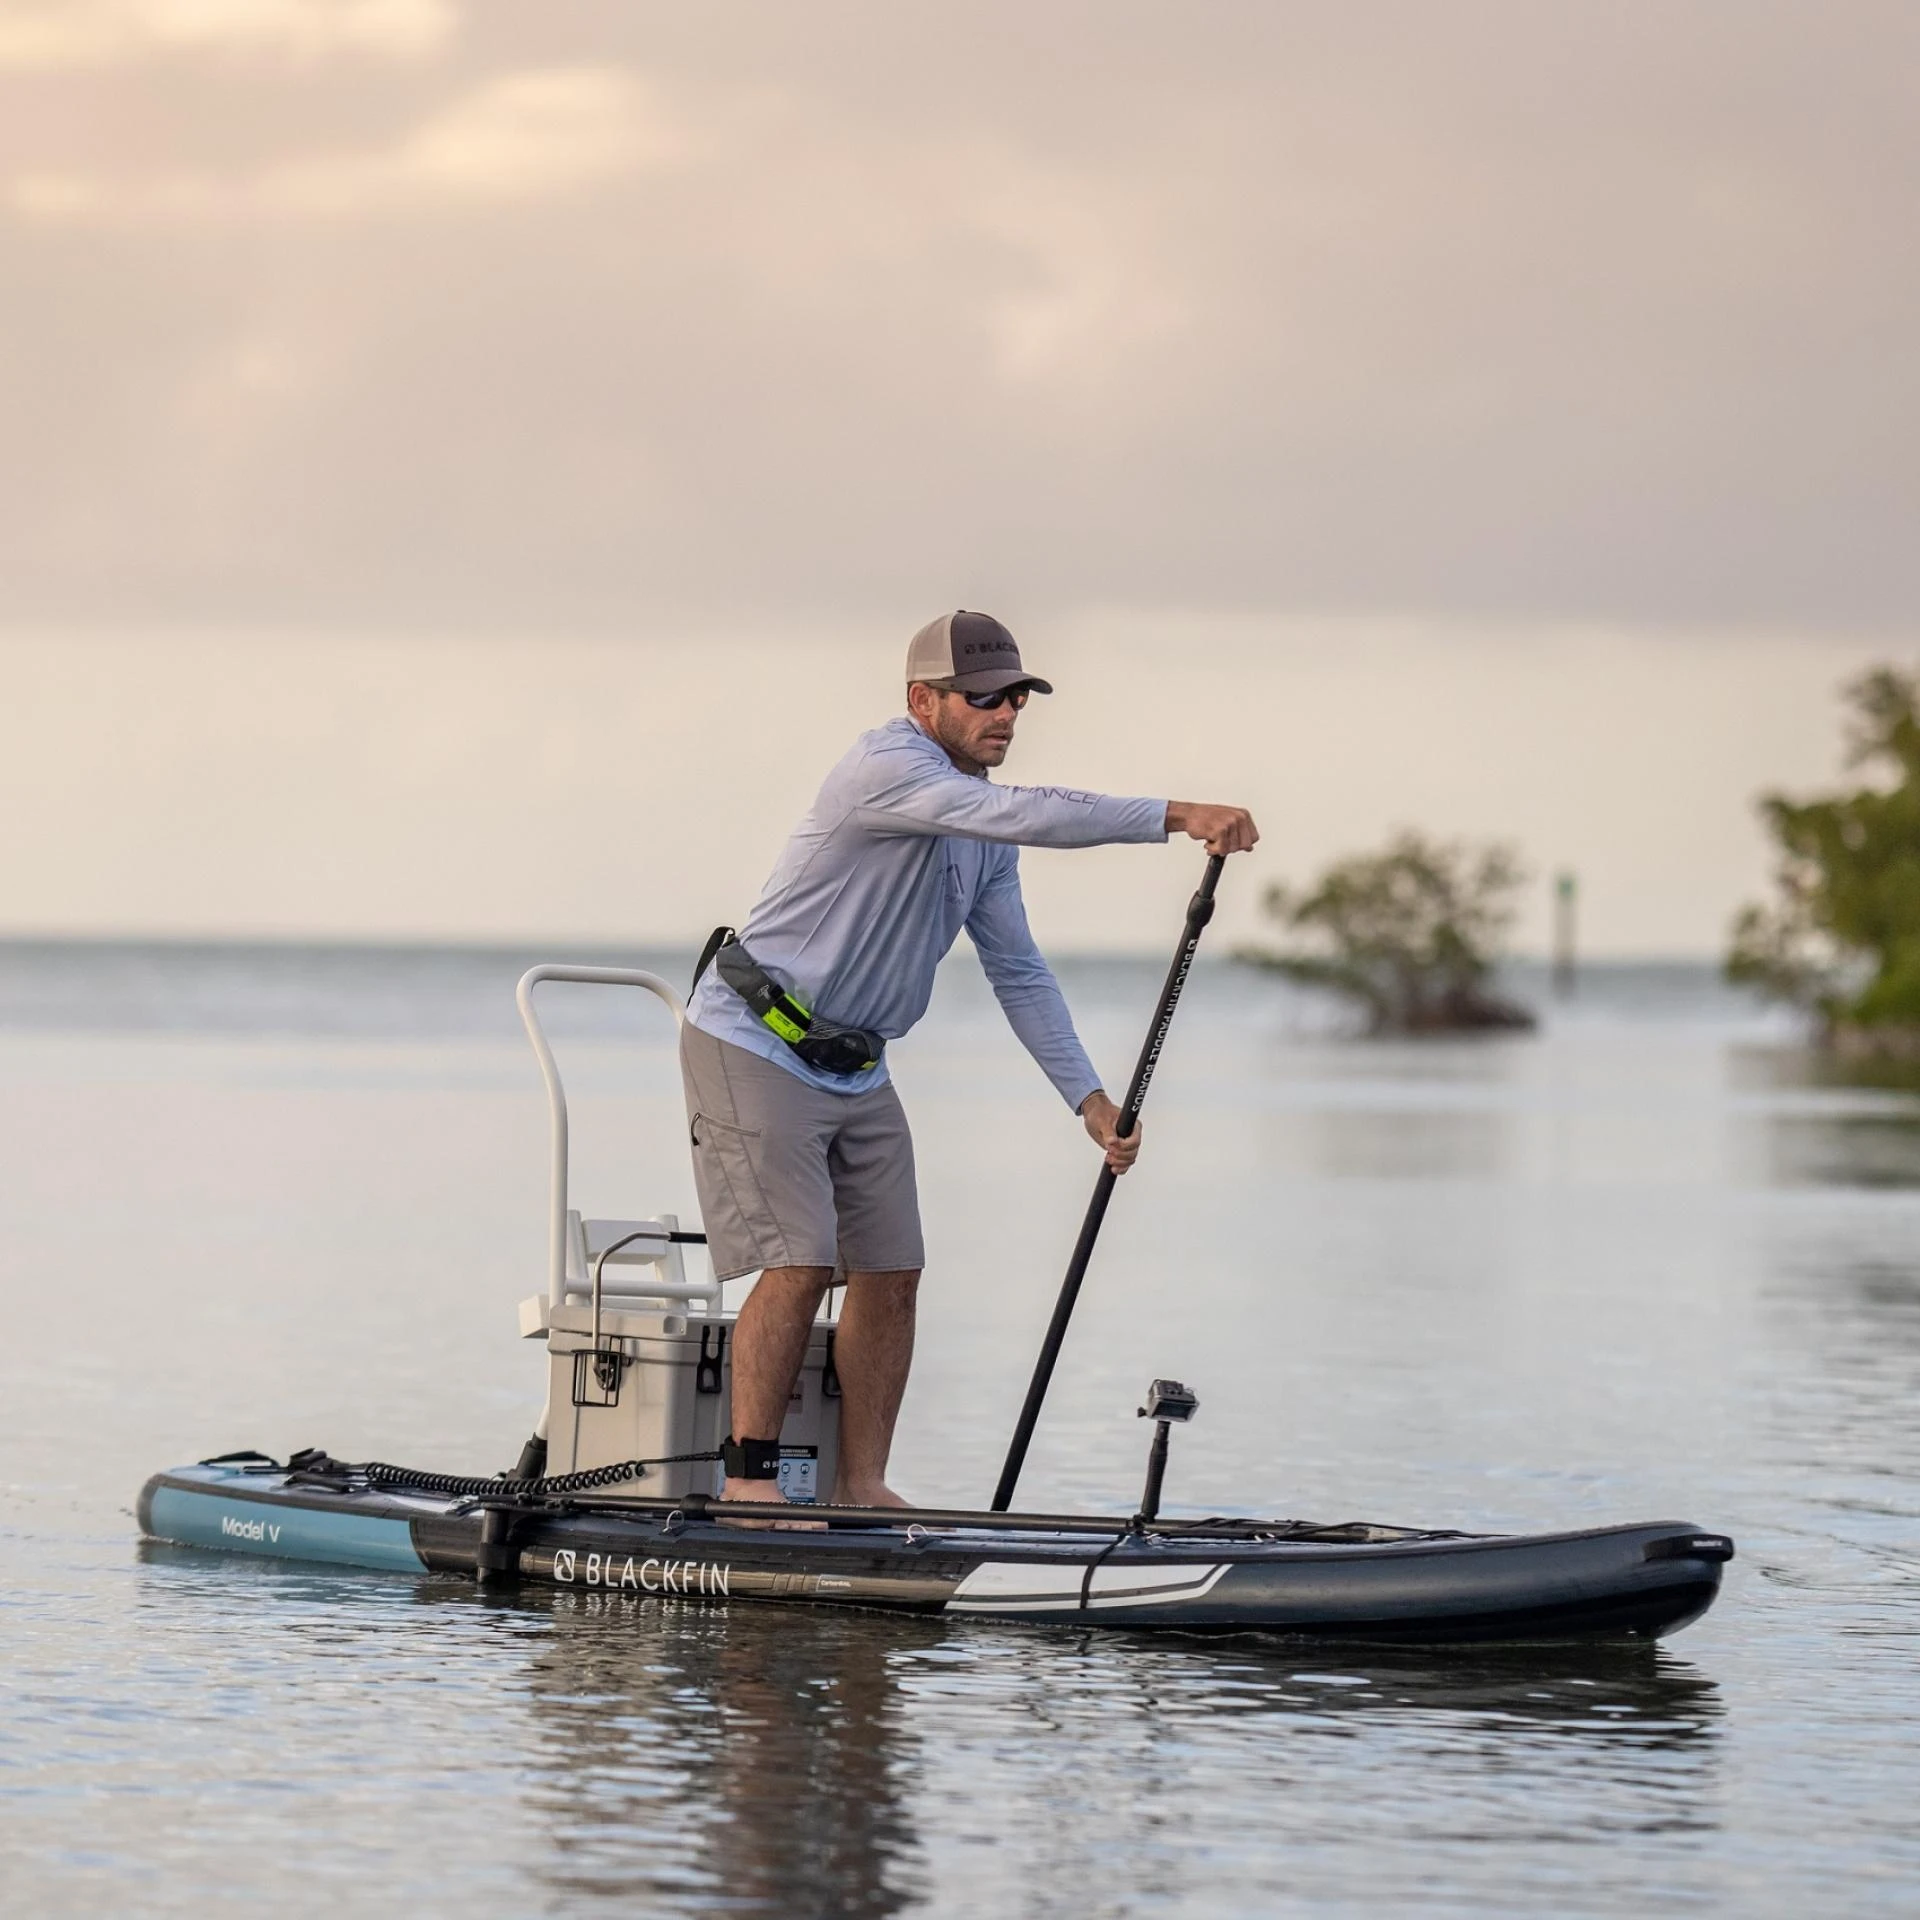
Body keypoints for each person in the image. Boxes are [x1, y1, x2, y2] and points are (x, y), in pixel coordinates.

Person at [679, 610, 1258, 1510]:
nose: (1006, 715)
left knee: (893, 1269)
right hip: (753, 1037)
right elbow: (1015, 811)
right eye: (984, 697)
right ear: (924, 700)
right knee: (800, 1258)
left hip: (857, 1064)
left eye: (1018, 697)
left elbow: (1019, 971)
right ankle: (748, 1486)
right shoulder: (885, 770)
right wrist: (1176, 814)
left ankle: (861, 1485)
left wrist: (1090, 1103)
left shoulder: (980, 838)